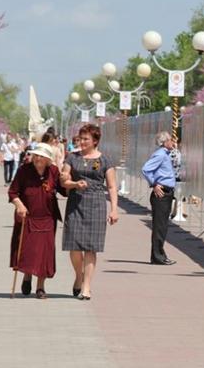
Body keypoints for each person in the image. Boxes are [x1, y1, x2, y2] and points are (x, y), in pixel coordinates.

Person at [61, 124, 119, 300]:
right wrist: (73, 184)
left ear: (95, 141)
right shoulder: (72, 158)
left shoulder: (105, 161)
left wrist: (114, 210)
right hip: (75, 204)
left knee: (91, 247)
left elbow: (111, 186)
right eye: (81, 138)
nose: (82, 141)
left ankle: (86, 286)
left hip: (96, 205)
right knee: (74, 247)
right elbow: (64, 179)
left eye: (86, 139)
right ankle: (79, 275)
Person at [8, 143, 66, 299]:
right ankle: (27, 275)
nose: (38, 158)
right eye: (36, 155)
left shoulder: (53, 171)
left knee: (44, 254)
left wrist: (68, 180)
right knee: (29, 251)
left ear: (48, 159)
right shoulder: (24, 171)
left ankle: (40, 287)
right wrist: (19, 205)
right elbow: (13, 192)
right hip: (28, 217)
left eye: (42, 156)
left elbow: (64, 190)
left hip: (47, 218)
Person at [142, 131, 177, 265]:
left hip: (167, 192)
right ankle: (158, 256)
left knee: (162, 226)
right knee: (159, 226)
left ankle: (159, 254)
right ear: (165, 142)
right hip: (161, 193)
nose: (173, 142)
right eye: (171, 140)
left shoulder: (166, 154)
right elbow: (146, 169)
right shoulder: (160, 154)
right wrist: (154, 184)